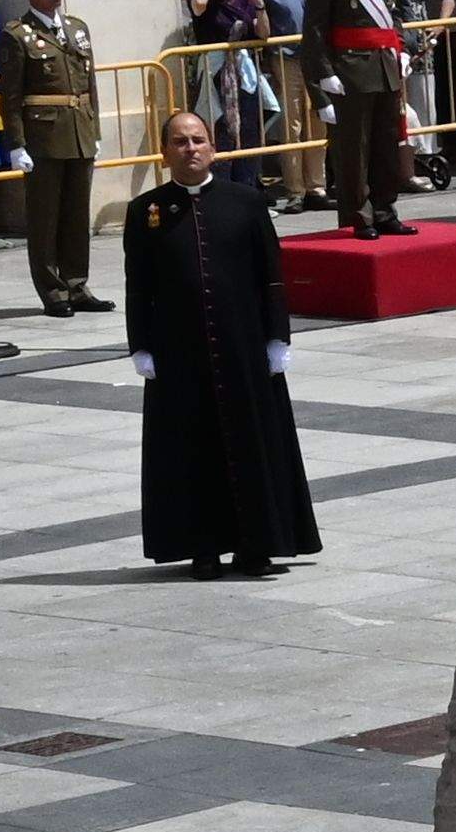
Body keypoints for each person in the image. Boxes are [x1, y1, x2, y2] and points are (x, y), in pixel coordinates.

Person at [120, 107, 317, 580]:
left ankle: (257, 545)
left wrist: (277, 337)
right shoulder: (145, 211)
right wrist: (140, 345)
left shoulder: (245, 201)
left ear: (213, 147)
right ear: (165, 151)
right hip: (179, 353)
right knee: (191, 450)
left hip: (243, 347)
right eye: (181, 142)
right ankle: (201, 547)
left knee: (254, 443)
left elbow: (271, 276)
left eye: (198, 140)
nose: (191, 149)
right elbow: (137, 286)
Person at [307, 0, 420, 236]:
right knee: (354, 148)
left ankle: (385, 209)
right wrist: (323, 79)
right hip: (350, 68)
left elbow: (394, 12)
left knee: (388, 141)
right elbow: (314, 28)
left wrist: (401, 48)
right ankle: (359, 215)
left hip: (385, 64)